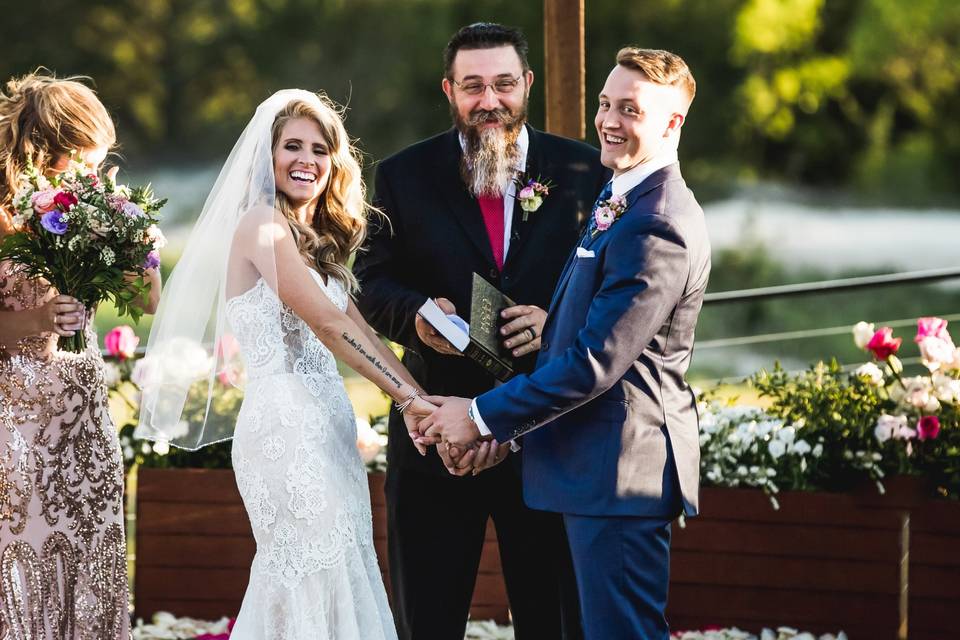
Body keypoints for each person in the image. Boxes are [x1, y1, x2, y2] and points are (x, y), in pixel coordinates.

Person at [417, 47, 711, 640]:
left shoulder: (659, 221)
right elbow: (583, 334)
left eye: (630, 109)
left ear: (672, 122)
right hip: (592, 467)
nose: (608, 120)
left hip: (619, 475)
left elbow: (595, 363)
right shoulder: (619, 194)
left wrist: (480, 416)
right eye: (605, 104)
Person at [137, 90, 436, 639]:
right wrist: (411, 400)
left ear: (334, 162)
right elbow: (328, 324)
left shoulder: (312, 241)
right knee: (304, 571)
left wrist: (420, 400)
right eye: (291, 146)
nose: (307, 159)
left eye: (319, 149)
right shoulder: (260, 225)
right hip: (285, 427)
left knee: (342, 565)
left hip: (328, 423)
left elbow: (360, 328)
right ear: (267, 156)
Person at [353, 22, 606, 640]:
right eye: (473, 86)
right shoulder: (402, 175)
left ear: (528, 84)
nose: (488, 100)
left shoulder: (585, 171)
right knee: (427, 620)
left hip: (547, 435)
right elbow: (370, 283)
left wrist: (556, 322)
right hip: (437, 438)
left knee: (555, 621)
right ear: (449, 90)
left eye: (502, 84)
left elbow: (611, 290)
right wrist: (415, 315)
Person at [0, 72, 161, 638]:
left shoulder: (93, 210)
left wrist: (137, 241)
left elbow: (146, 302)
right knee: (22, 559)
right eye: (84, 159)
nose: (94, 173)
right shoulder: (3, 215)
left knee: (92, 547)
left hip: (83, 417)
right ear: (47, 150)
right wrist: (40, 319)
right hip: (15, 423)